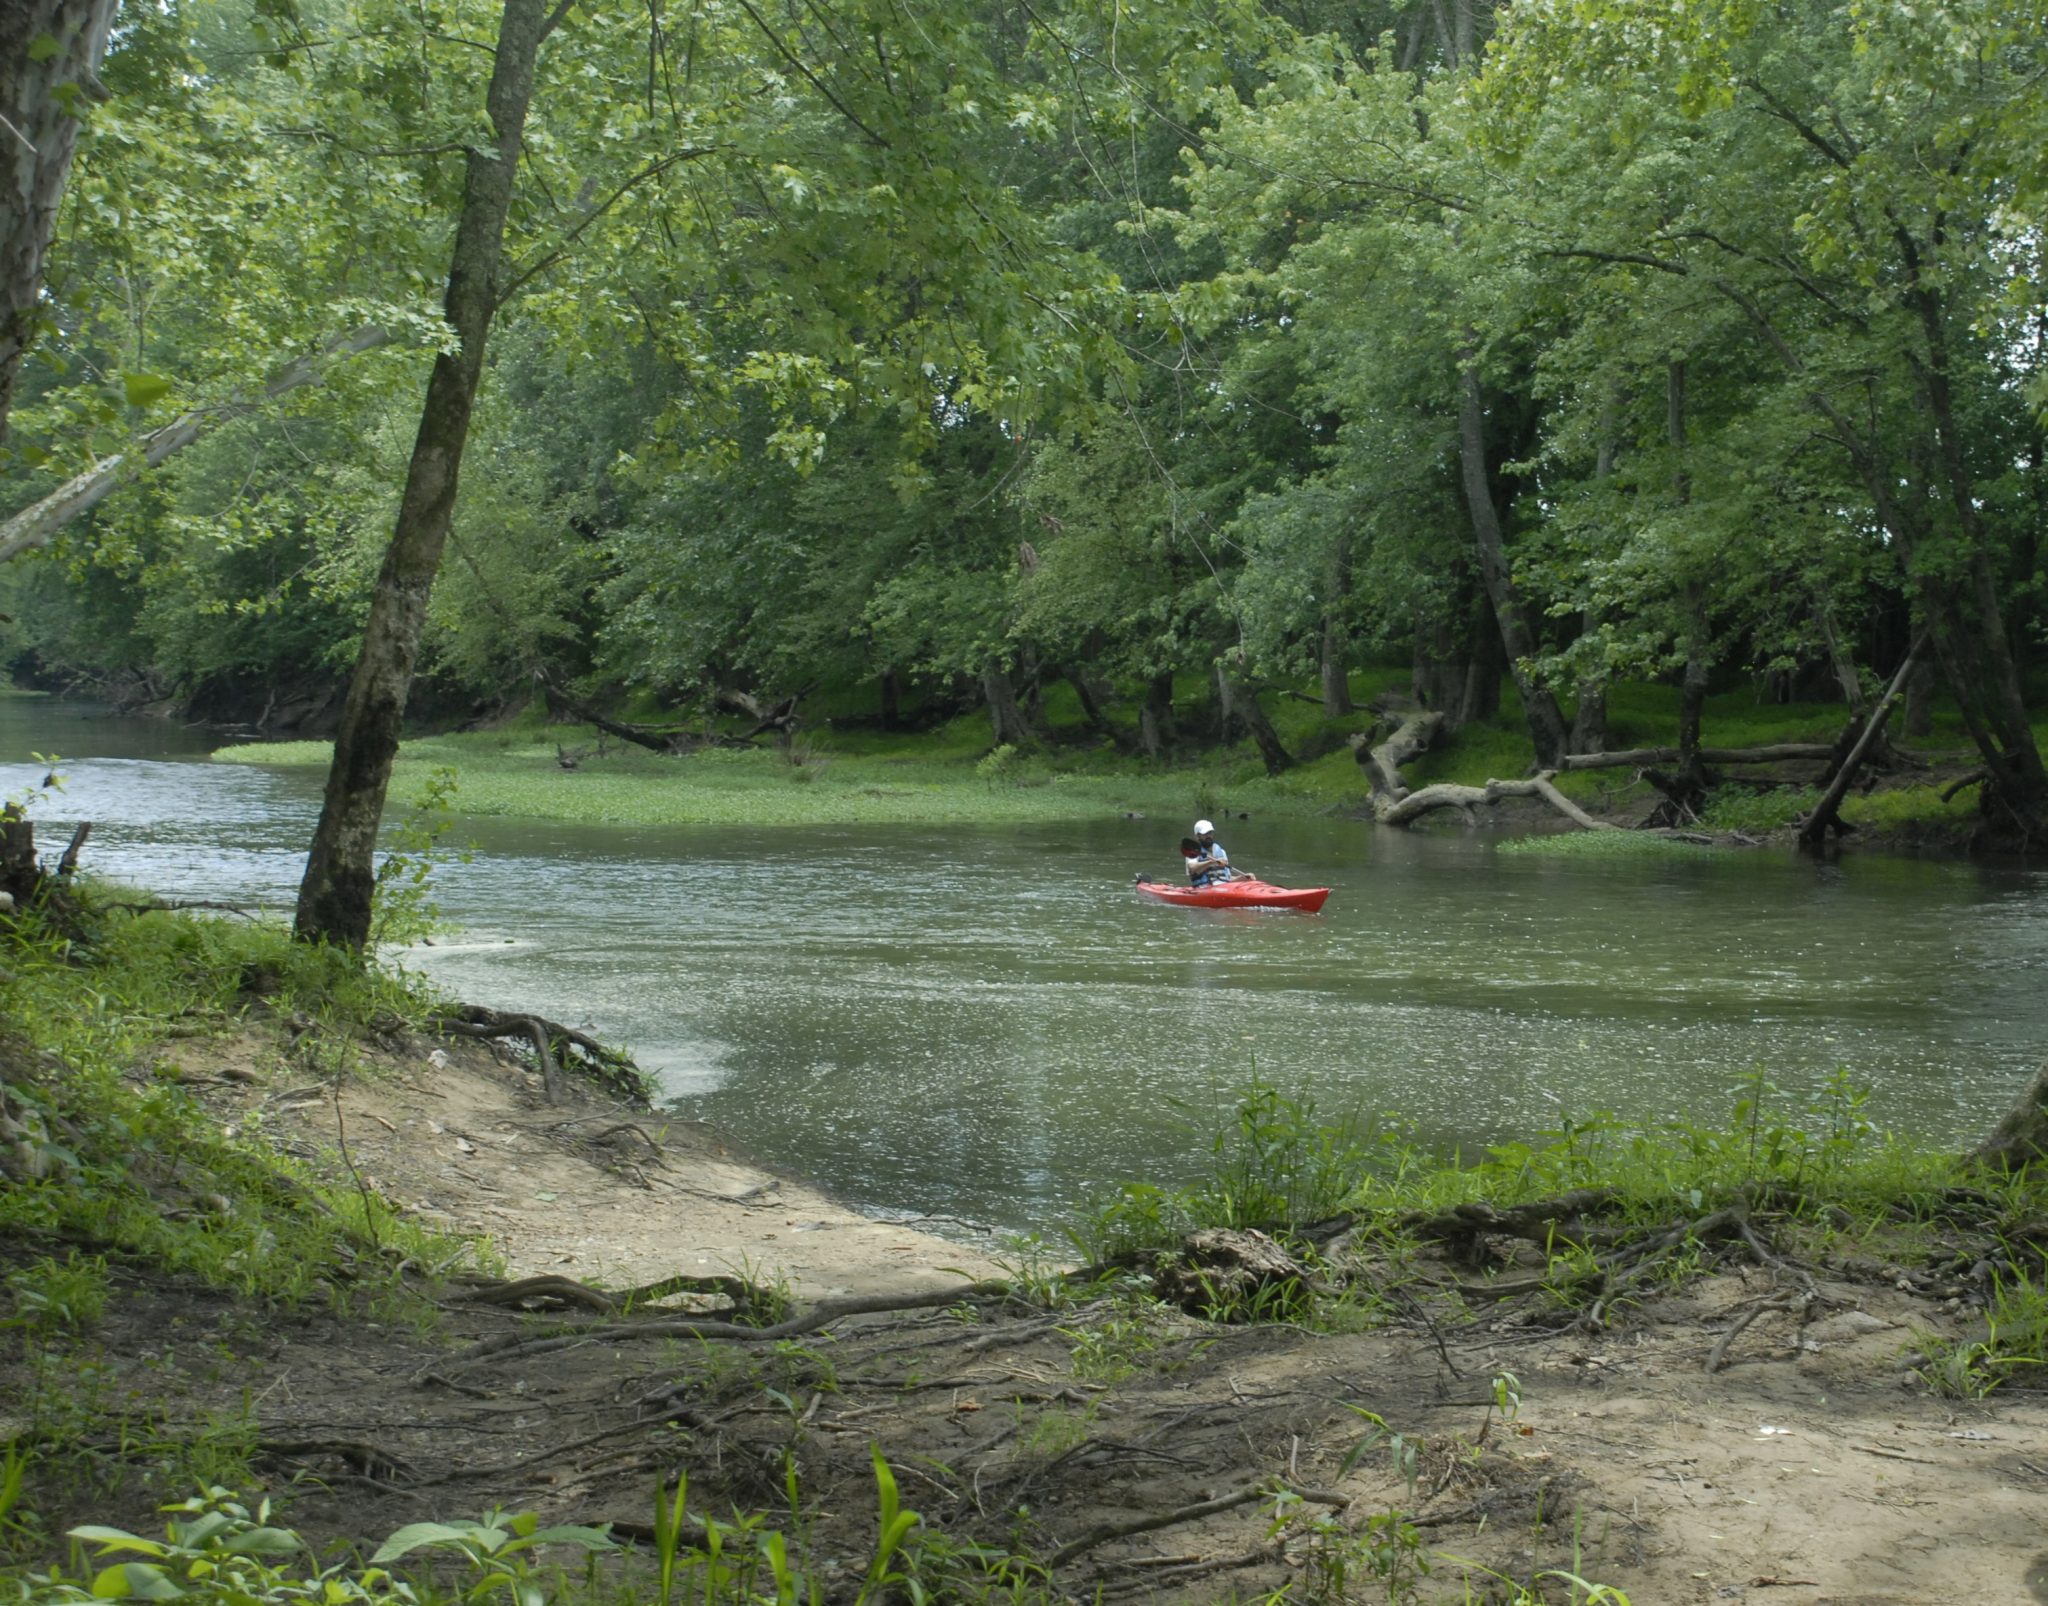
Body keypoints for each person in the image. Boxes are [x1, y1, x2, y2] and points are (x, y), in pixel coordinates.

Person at [1186, 819, 1233, 887]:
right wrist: (1212, 862)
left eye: (1210, 833)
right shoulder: (1193, 852)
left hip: (1223, 888)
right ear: (1197, 836)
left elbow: (1228, 879)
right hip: (1203, 889)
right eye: (1205, 834)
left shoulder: (1222, 852)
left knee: (1248, 880)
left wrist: (1243, 878)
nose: (1208, 836)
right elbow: (1192, 868)